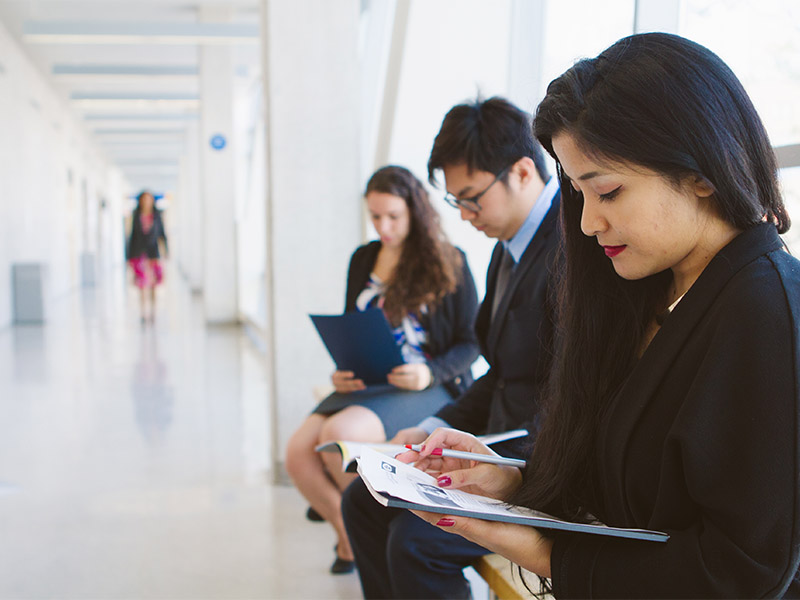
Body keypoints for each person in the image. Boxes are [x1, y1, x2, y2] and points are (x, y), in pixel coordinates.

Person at [403, 32, 800, 599]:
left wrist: (544, 552)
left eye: (609, 192)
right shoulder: (647, 292)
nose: (588, 224)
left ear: (703, 174)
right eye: (579, 194)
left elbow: (739, 573)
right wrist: (514, 482)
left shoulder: (768, 314)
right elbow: (625, 486)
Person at [341, 96, 561, 598]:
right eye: (455, 201)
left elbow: (575, 396)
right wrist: (433, 428)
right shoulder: (508, 251)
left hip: (540, 460)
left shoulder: (572, 249)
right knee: (363, 501)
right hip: (501, 443)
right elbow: (502, 373)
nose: (463, 215)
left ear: (523, 173)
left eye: (472, 198)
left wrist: (502, 468)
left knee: (416, 541)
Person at [285, 165, 480, 575]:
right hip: (367, 382)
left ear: (415, 211)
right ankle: (349, 532)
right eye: (375, 217)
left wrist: (429, 371)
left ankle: (368, 531)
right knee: (298, 454)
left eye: (393, 216)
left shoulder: (450, 261)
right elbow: (351, 324)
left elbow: (471, 341)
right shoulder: (364, 258)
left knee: (336, 436)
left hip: (426, 387)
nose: (383, 226)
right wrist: (342, 369)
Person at [126, 190, 168, 324]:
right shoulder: (136, 215)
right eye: (144, 199)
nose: (146, 202)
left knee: (154, 285)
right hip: (139, 253)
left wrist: (165, 250)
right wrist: (129, 256)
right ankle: (144, 313)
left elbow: (162, 233)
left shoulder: (157, 216)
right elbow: (132, 236)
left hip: (153, 254)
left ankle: (153, 311)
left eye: (149, 199)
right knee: (142, 285)